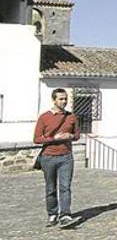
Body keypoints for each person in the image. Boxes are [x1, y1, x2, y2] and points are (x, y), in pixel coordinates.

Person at [33, 88, 81, 228]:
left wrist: (70, 136)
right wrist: (54, 138)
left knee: (65, 187)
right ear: (54, 100)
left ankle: (65, 215)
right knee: (50, 188)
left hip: (66, 157)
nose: (64, 101)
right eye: (61, 99)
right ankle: (52, 214)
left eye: (65, 99)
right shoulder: (44, 117)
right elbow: (36, 139)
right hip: (49, 157)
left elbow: (77, 135)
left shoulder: (71, 117)